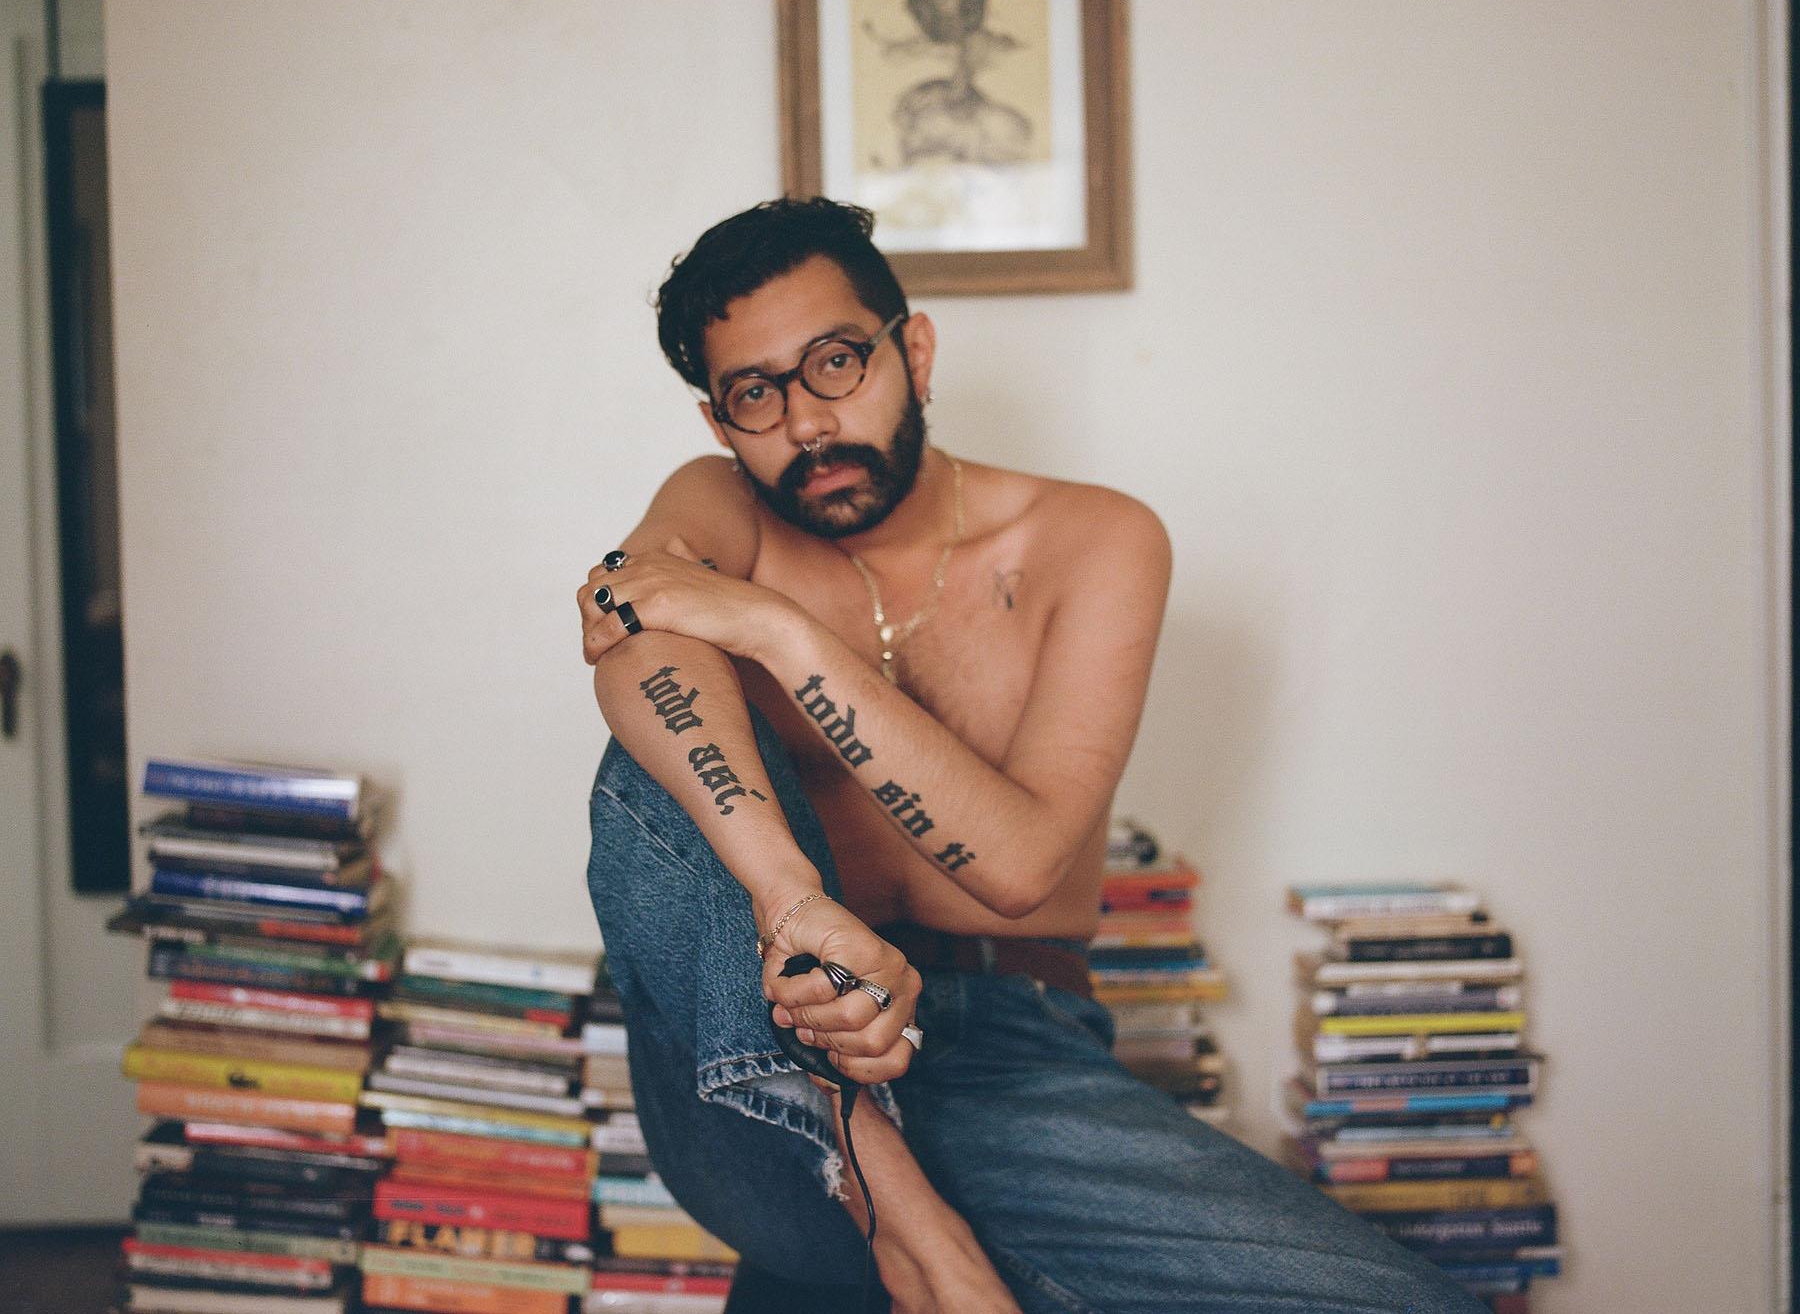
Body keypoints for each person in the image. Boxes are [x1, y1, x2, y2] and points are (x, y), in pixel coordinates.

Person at [577, 197, 1484, 1314]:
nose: (807, 422)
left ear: (913, 349)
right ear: (720, 422)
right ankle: (909, 1222)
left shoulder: (1093, 540)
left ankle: (917, 1223)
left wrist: (777, 629)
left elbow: (1019, 867)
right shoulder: (722, 508)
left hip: (1010, 1052)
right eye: (756, 393)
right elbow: (627, 632)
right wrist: (792, 898)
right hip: (764, 1050)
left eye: (836, 362)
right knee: (654, 756)